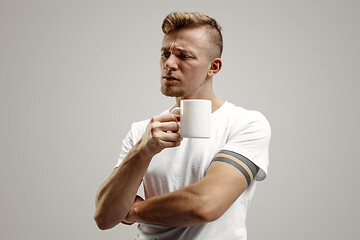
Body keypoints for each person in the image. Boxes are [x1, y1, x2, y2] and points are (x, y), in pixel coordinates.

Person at [94, 12, 271, 240]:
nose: (169, 63)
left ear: (213, 67)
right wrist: (143, 150)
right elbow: (105, 217)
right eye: (165, 54)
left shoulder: (245, 124)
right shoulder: (142, 131)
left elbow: (205, 205)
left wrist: (132, 210)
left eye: (183, 56)